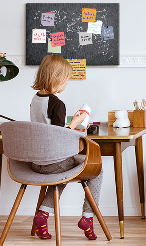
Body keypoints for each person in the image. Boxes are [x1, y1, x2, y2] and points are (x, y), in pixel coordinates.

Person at [30, 55, 103, 240]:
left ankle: (43, 215)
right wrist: (76, 123)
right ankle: (88, 217)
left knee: (61, 174)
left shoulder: (35, 100)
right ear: (57, 79)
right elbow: (59, 136)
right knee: (96, 169)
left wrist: (72, 125)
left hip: (36, 162)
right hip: (53, 162)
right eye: (66, 79)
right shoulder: (57, 104)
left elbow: (48, 129)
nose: (66, 83)